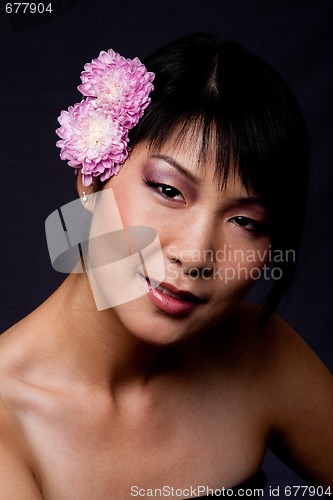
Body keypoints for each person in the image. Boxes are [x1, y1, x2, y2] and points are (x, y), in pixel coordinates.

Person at [0, 33, 332, 499]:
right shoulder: (8, 421)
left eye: (245, 221)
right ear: (93, 174)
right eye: (169, 191)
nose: (196, 254)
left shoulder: (257, 352)